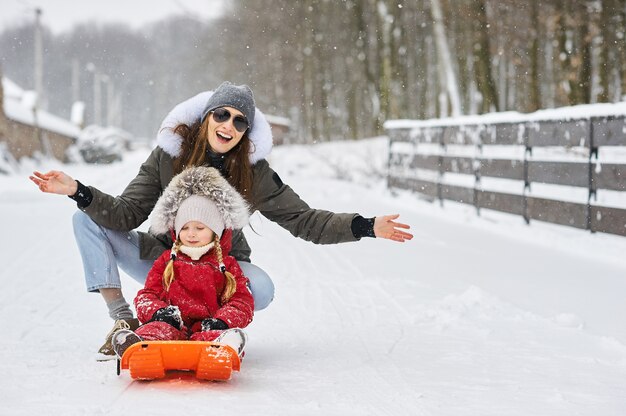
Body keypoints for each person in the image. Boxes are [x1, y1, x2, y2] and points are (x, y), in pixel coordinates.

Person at [29, 81, 414, 360]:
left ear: (247, 132)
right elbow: (127, 212)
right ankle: (124, 321)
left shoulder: (253, 172)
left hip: (220, 268)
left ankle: (211, 328)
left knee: (261, 288)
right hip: (165, 264)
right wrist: (78, 190)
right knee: (86, 221)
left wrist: (365, 225)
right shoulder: (168, 157)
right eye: (222, 114)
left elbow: (304, 219)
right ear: (207, 116)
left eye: (240, 121)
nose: (229, 125)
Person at [112, 166, 253, 358]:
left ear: (215, 230)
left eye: (200, 227)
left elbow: (241, 301)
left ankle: (221, 351)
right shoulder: (166, 261)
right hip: (171, 325)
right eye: (185, 228)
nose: (191, 233)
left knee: (217, 337)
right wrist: (158, 312)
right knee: (156, 331)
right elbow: (147, 295)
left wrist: (223, 321)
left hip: (207, 327)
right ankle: (138, 349)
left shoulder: (226, 265)